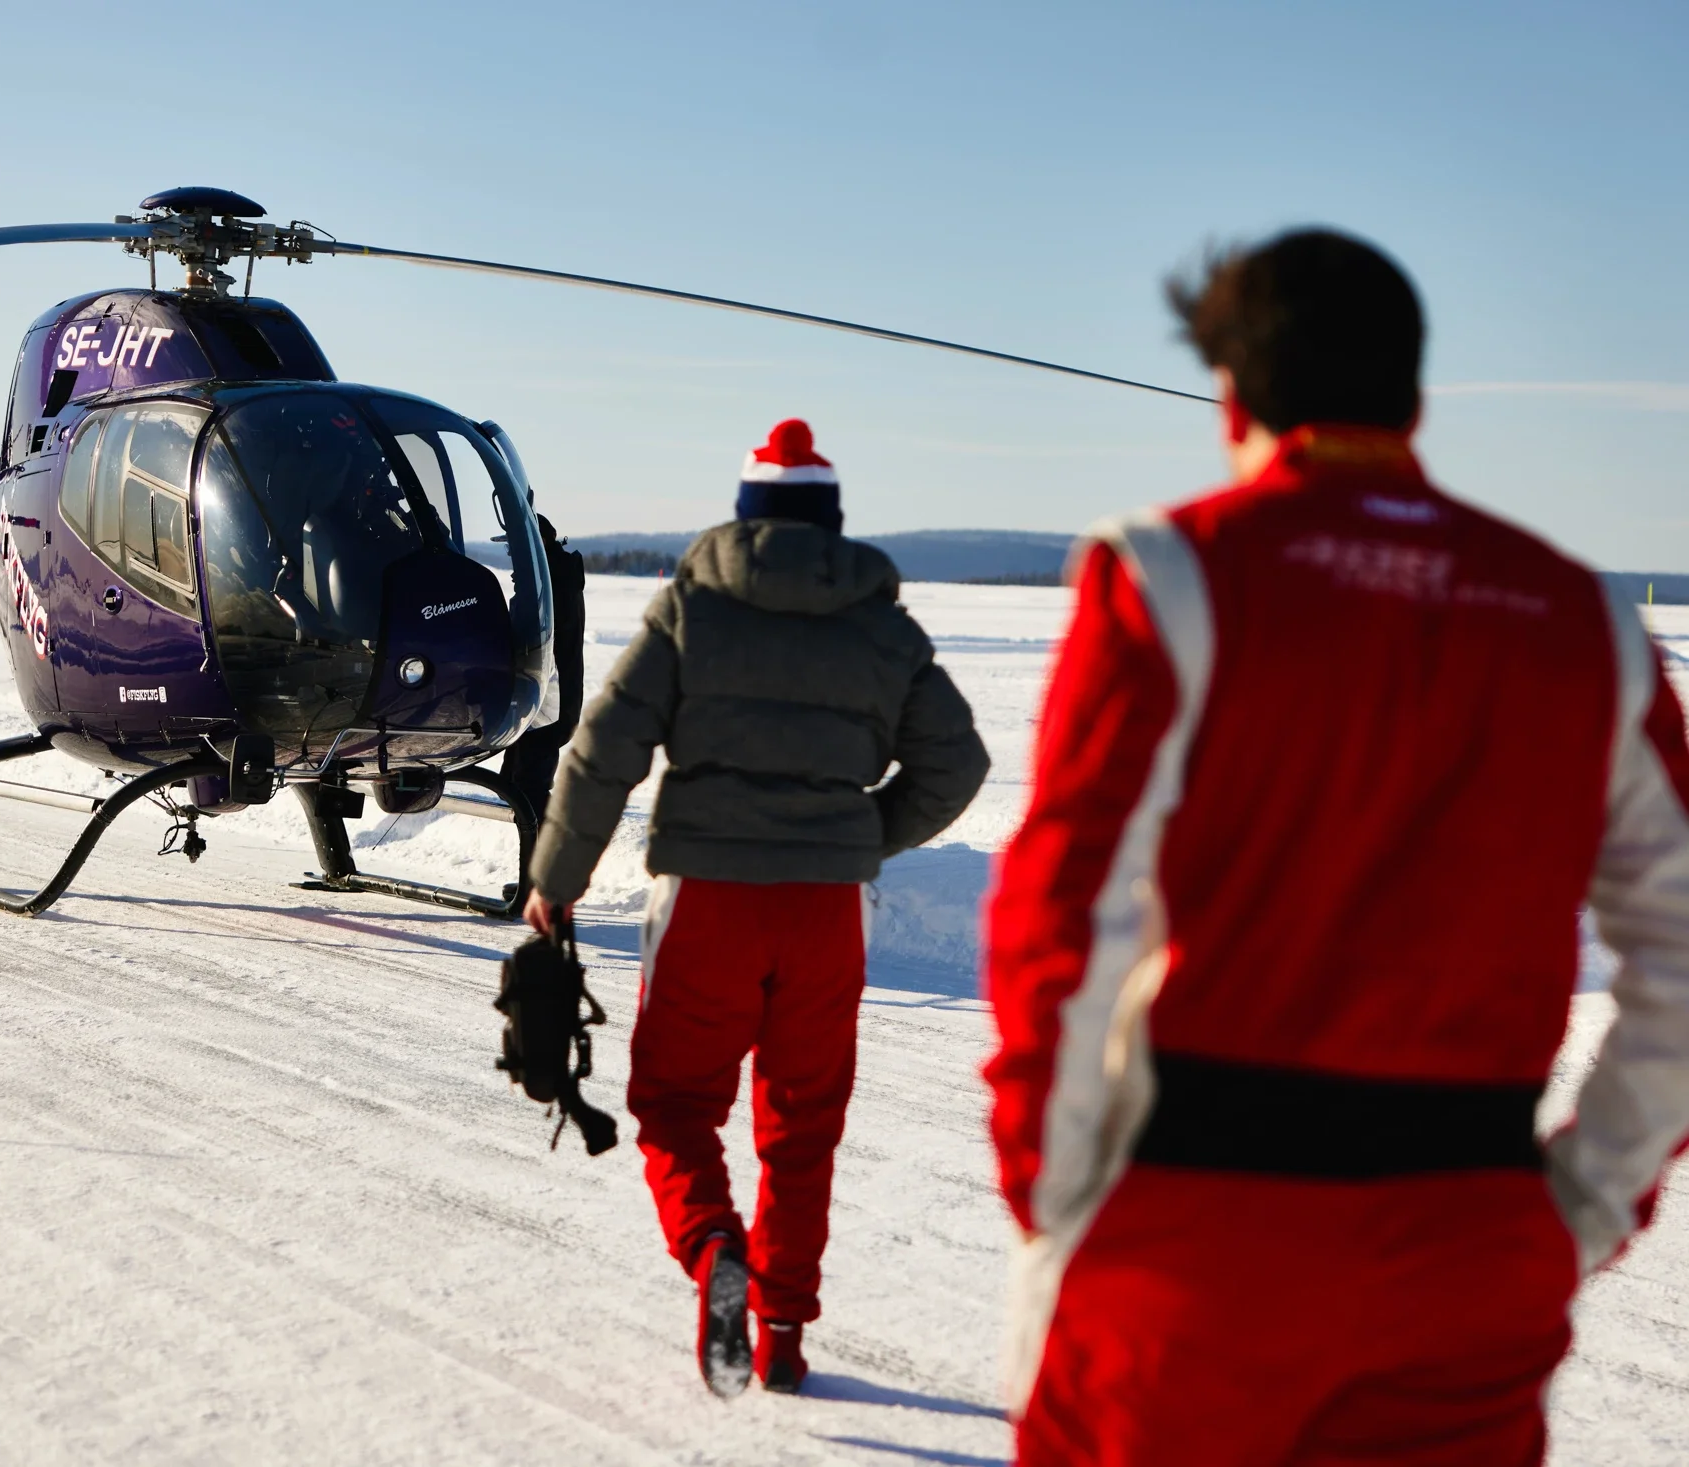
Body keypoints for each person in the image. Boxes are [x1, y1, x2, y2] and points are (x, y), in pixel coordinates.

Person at [984, 229, 1689, 1465]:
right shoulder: (1586, 623)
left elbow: (1064, 901)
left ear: (1230, 398)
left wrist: (1053, 1181)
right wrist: (1588, 1199)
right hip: (1469, 1256)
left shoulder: (1172, 573)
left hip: (1192, 1250)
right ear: (1415, 399)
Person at [522, 419, 990, 1398]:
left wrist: (556, 881)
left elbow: (603, 750)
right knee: (802, 1122)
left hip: (709, 903)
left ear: (744, 513)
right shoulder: (882, 627)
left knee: (676, 1108)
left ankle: (712, 1254)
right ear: (828, 521)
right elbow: (959, 763)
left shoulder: (691, 606)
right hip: (825, 913)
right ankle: (777, 1332)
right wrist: (859, 838)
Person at [503, 512, 587, 822]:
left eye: (515, 549)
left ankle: (546, 863)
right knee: (515, 786)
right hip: (542, 698)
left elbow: (532, 638)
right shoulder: (553, 577)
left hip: (547, 703)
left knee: (529, 794)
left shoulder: (548, 585)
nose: (511, 558)